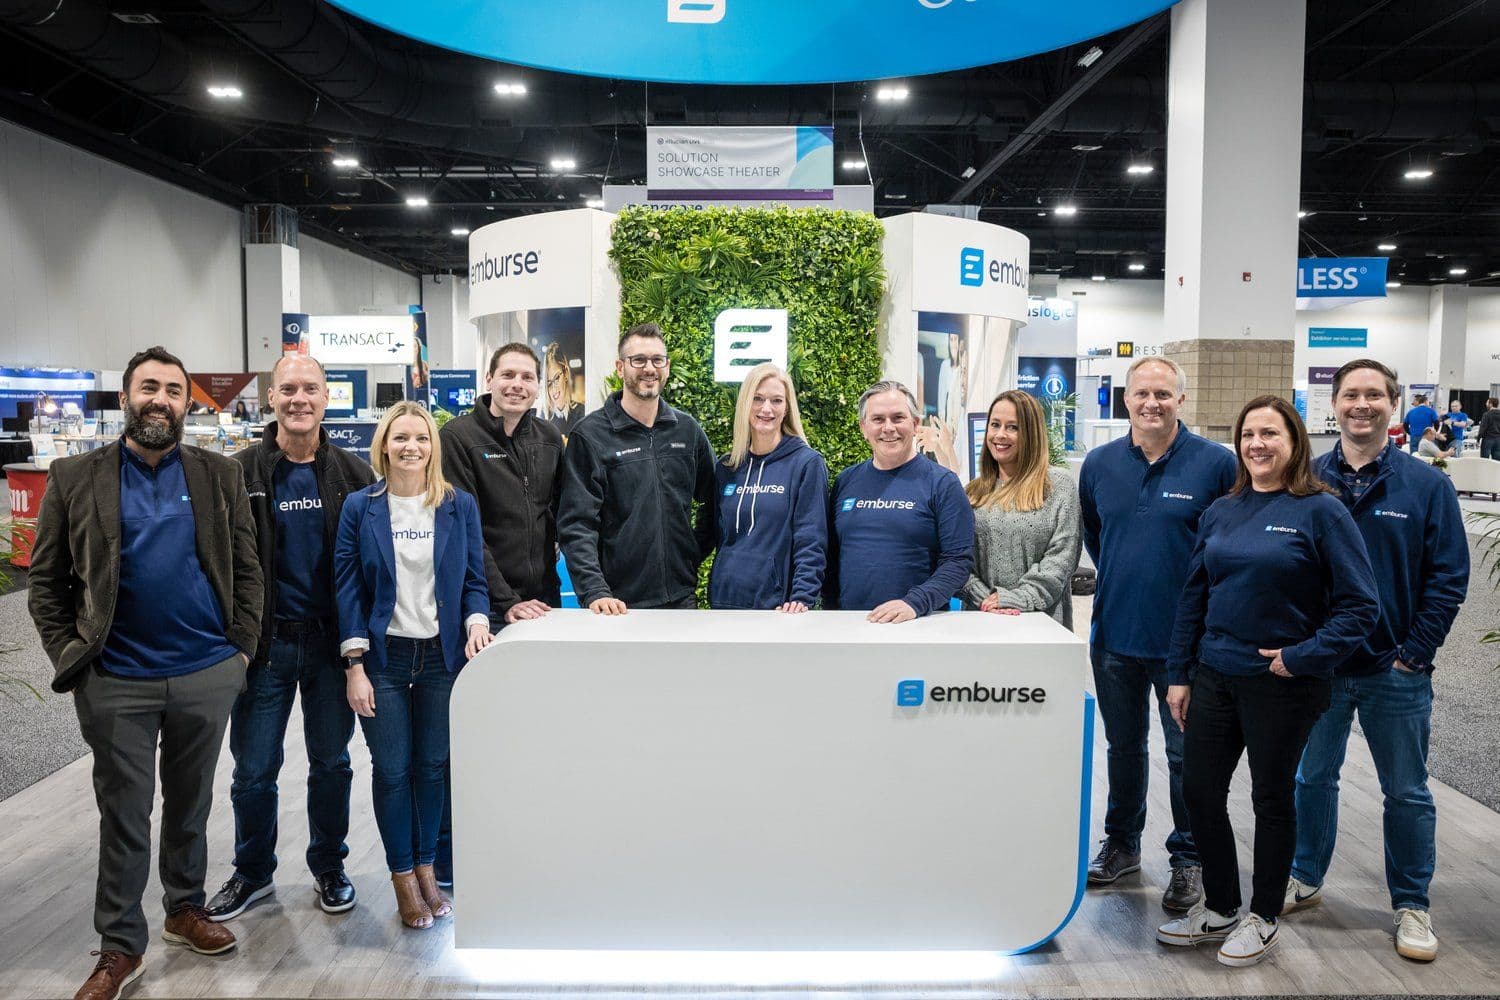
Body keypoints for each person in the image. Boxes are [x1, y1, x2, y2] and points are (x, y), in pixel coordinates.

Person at [29, 346, 262, 1000]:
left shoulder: (219, 475)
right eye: (149, 388)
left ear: (188, 404)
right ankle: (120, 948)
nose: (161, 399)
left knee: (191, 804)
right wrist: (71, 659)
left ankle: (186, 908)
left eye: (174, 391)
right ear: (127, 397)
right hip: (116, 679)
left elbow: (247, 570)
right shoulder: (75, 476)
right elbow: (44, 584)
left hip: (205, 671)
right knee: (125, 815)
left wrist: (239, 652)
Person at [1158, 395, 1379, 969]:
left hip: (1282, 682)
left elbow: (1361, 607)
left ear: (1294, 442)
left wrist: (1303, 656)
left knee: (1270, 797)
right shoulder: (1222, 509)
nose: (1258, 444)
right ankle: (1224, 906)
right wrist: (1180, 673)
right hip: (1214, 674)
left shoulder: (1322, 511)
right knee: (1200, 791)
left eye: (1270, 434)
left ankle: (1263, 916)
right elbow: (1193, 596)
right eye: (1248, 434)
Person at [1287, 359, 1468, 962]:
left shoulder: (1426, 486)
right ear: (1332, 404)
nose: (1360, 405)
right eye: (1350, 395)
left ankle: (1412, 905)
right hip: (1323, 668)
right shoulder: (1304, 478)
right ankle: (1305, 877)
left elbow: (1448, 578)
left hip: (1395, 670)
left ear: (1393, 405)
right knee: (1312, 778)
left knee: (1408, 792)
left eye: (1373, 395)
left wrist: (1415, 654)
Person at [206, 355, 374, 923]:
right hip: (264, 649)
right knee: (253, 768)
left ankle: (330, 865)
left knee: (331, 762)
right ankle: (252, 873)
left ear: (327, 398)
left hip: (332, 647)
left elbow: (370, 566)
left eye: (311, 389)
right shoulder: (238, 474)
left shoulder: (353, 475)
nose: (300, 399)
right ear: (271, 397)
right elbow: (218, 564)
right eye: (288, 389)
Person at [1077, 357, 1237, 911]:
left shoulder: (1216, 464)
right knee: (1123, 748)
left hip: (1184, 645)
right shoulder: (1098, 464)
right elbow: (1099, 536)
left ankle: (1189, 859)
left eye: (1163, 394)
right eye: (1142, 393)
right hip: (1114, 634)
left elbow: (1227, 547)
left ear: (1180, 400)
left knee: (1186, 757)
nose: (1152, 403)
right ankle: (1121, 845)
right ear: (1126, 398)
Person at [334, 402, 491, 929]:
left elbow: (473, 578)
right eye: (400, 437)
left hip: (442, 658)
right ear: (383, 446)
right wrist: (354, 664)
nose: (411, 447)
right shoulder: (361, 507)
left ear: (433, 446)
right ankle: (403, 875)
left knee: (432, 769)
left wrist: (475, 621)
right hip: (383, 659)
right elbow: (348, 587)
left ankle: (427, 869)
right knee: (393, 771)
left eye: (421, 438)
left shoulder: (457, 505)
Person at [437, 342, 563, 886]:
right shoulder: (459, 439)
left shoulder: (549, 439)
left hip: (544, 605)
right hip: (484, 610)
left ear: (537, 385)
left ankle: (532, 838)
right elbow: (468, 530)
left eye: (526, 376)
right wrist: (505, 601)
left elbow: (558, 517)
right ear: (488, 379)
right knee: (471, 735)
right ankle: (452, 853)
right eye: (507, 374)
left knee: (534, 730)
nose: (517, 384)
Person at [558, 322, 717, 614]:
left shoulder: (687, 431)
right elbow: (577, 524)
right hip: (616, 603)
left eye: (657, 360)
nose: (649, 368)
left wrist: (691, 553)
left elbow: (714, 501)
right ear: (620, 367)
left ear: (666, 367)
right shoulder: (590, 435)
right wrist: (594, 591)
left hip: (681, 598)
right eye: (638, 360)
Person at [825, 380, 974, 622]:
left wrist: (914, 604)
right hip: (851, 625)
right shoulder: (845, 481)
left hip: (918, 624)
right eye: (878, 419)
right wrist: (832, 615)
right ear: (863, 427)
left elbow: (958, 562)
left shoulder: (943, 484)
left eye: (898, 418)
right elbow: (831, 558)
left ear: (915, 424)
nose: (888, 428)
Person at [709, 363, 829, 611]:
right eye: (758, 399)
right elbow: (714, 534)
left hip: (778, 607)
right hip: (724, 601)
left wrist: (802, 598)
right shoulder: (727, 466)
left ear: (786, 408)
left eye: (776, 401)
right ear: (745, 404)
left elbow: (811, 538)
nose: (766, 409)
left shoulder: (806, 464)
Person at [961, 390, 1080, 627]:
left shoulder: (1058, 485)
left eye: (1013, 427)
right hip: (981, 619)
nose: (1000, 435)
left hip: (1040, 623)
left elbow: (1062, 557)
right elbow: (958, 559)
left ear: (1031, 433)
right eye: (995, 425)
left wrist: (1013, 599)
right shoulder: (972, 492)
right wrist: (985, 598)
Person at [539, 342, 585, 439]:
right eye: (549, 383)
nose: (553, 388)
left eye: (556, 378)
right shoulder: (542, 418)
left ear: (566, 374)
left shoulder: (582, 412)